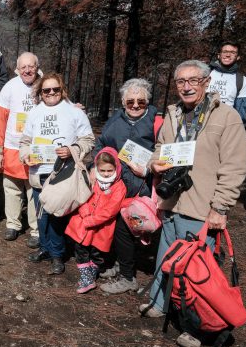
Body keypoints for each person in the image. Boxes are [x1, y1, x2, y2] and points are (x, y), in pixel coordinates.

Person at [141, 60, 246, 347]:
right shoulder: (173, 114)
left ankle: (195, 325)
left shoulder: (226, 117)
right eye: (180, 81)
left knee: (196, 270)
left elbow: (234, 166)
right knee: (166, 258)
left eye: (193, 80)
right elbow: (160, 148)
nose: (186, 86)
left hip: (201, 205)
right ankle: (160, 303)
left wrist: (220, 207)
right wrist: (154, 162)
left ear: (206, 83)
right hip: (171, 200)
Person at [20, 72, 95, 275]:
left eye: (55, 89)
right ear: (40, 93)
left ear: (62, 90)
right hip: (39, 172)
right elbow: (25, 142)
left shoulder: (74, 112)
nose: (51, 93)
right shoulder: (34, 113)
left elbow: (89, 140)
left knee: (56, 216)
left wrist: (72, 150)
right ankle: (44, 248)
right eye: (46, 90)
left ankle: (57, 255)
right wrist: (26, 155)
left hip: (62, 173)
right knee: (41, 215)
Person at [92, 78, 161, 294]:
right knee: (115, 226)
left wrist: (149, 169)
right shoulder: (115, 120)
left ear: (148, 102)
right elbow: (101, 145)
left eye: (141, 101)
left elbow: (166, 153)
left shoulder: (157, 122)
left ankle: (128, 276)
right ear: (123, 102)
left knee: (129, 228)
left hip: (144, 186)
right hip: (117, 184)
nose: (135, 105)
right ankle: (119, 265)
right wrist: (95, 165)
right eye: (130, 101)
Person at [0, 52, 43, 247]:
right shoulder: (10, 87)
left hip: (37, 149)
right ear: (17, 69)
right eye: (23, 67)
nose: (28, 70)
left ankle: (36, 229)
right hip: (12, 147)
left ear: (37, 66)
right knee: (12, 188)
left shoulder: (47, 85)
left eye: (31, 66)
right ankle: (12, 224)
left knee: (34, 189)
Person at [65, 148, 127, 293]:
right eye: (102, 170)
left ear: (116, 168)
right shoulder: (92, 179)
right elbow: (82, 196)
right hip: (83, 223)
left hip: (101, 228)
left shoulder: (119, 187)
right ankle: (86, 278)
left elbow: (110, 211)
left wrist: (91, 220)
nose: (106, 174)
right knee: (80, 249)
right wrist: (85, 213)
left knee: (97, 253)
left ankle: (90, 275)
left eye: (109, 171)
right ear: (97, 168)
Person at [207, 41, 246, 123]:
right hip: (200, 121)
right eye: (225, 52)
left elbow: (241, 112)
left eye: (233, 52)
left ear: (238, 57)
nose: (228, 55)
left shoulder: (243, 81)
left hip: (225, 124)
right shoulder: (205, 73)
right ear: (219, 55)